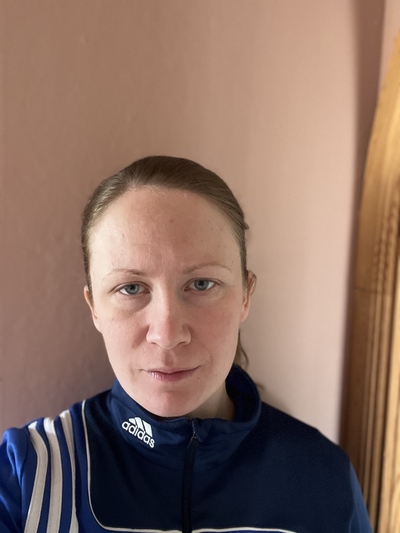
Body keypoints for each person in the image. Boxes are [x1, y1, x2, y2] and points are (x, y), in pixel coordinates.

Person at [0, 156, 373, 532]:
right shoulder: (25, 477)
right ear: (94, 306)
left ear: (245, 295)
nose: (167, 334)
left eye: (201, 284)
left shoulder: (322, 479)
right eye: (131, 288)